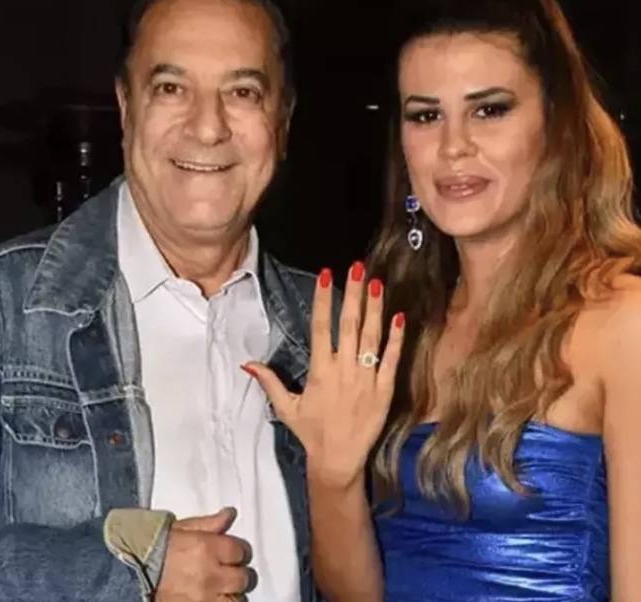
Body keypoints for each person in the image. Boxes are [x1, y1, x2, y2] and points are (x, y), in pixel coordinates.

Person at [0, 0, 330, 600]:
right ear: (127, 108)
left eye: (243, 92)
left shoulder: (333, 328)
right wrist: (126, 575)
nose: (208, 127)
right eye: (171, 87)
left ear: (282, 120)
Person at [246, 0, 641, 600]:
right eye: (426, 116)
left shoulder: (621, 324)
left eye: (489, 109)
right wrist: (332, 474)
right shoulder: (395, 327)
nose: (454, 146)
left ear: (555, 127)